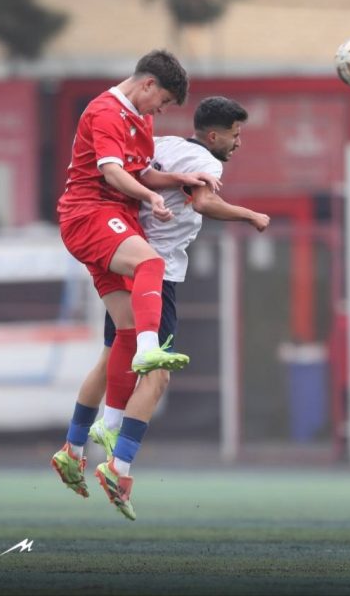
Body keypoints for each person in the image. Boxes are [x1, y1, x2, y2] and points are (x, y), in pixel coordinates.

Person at [61, 96, 270, 520]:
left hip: (125, 255)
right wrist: (250, 215)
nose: (238, 143)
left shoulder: (164, 144)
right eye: (235, 135)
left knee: (111, 356)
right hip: (156, 274)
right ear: (214, 135)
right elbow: (204, 203)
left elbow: (137, 173)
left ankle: (72, 448)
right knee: (156, 376)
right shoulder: (206, 163)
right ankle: (118, 466)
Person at [50, 50, 222, 517]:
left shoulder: (140, 119)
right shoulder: (105, 111)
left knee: (121, 336)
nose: (159, 112)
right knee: (150, 264)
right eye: (161, 101)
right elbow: (112, 173)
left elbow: (141, 171)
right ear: (147, 84)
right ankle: (134, 386)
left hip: (115, 220)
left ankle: (73, 450)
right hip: (90, 215)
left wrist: (176, 179)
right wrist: (151, 196)